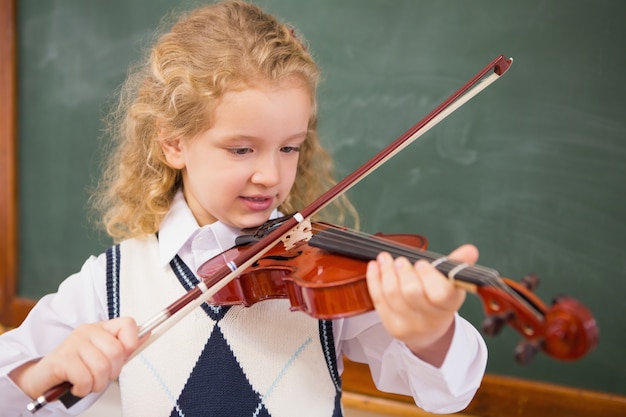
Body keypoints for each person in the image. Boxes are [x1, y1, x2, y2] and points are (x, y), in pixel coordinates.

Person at [0, 1, 487, 416]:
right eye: (241, 150)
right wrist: (44, 370)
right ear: (173, 143)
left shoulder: (321, 278)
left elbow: (447, 393)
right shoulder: (110, 281)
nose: (272, 176)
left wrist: (432, 335)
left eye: (290, 148)